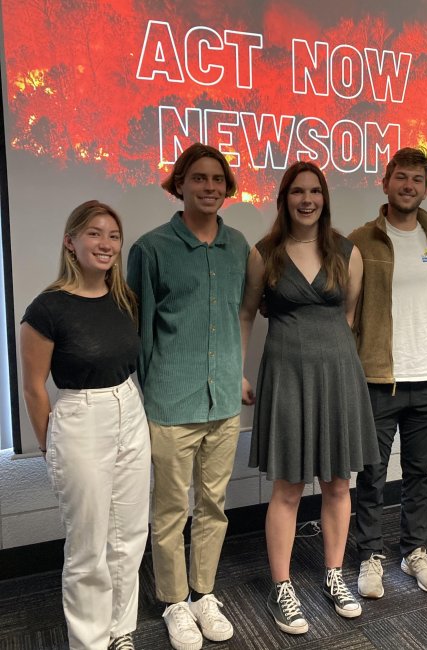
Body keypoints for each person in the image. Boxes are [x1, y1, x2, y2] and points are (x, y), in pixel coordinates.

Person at [240, 161, 379, 634]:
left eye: (314, 191)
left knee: (339, 484)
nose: (306, 199)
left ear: (324, 197)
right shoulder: (265, 254)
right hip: (287, 376)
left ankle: (334, 575)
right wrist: (239, 372)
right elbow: (246, 315)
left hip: (338, 375)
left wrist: (330, 362)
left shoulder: (347, 251)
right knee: (288, 488)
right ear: (284, 198)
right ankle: (283, 588)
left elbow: (349, 313)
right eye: (297, 191)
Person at [127, 143, 249, 650]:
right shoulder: (151, 249)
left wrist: (236, 374)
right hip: (171, 402)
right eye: (198, 178)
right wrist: (145, 392)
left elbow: (240, 314)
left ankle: (203, 594)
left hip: (222, 402)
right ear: (179, 185)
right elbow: (139, 330)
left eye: (217, 179)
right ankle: (175, 601)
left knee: (214, 504)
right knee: (171, 507)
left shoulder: (239, 245)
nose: (209, 187)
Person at [20, 200, 151, 650]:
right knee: (87, 545)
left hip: (129, 408)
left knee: (130, 534)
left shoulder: (123, 299)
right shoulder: (46, 309)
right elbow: (35, 389)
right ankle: (89, 642)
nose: (106, 243)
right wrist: (49, 446)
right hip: (80, 418)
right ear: (70, 242)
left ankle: (120, 631)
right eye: (94, 233)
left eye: (113, 235)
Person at [348, 147, 427, 597]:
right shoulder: (361, 239)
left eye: (417, 180)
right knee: (371, 474)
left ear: (425, 188)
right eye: (401, 177)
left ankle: (413, 551)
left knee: (419, 473)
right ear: (385, 181)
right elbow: (349, 313)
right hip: (378, 380)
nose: (409, 186)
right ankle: (370, 554)